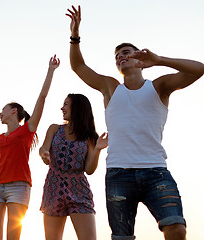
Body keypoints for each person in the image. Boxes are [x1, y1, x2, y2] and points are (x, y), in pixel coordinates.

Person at [66, 5, 204, 240]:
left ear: (140, 56)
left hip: (156, 172)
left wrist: (159, 60)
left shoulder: (158, 87)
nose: (121, 56)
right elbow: (78, 67)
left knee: (177, 229)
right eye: (117, 56)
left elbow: (199, 69)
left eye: (126, 52)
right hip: (118, 174)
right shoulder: (111, 88)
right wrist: (75, 36)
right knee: (122, 237)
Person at [0, 55, 60, 240]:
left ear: (13, 111)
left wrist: (50, 71)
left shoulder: (27, 130)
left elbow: (42, 97)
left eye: (2, 109)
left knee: (13, 236)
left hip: (18, 186)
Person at [39, 94, 108, 240]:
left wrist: (97, 150)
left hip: (79, 190)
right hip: (53, 188)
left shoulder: (90, 137)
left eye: (66, 104)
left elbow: (89, 170)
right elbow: (43, 148)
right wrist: (44, 153)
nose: (62, 108)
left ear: (77, 108)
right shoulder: (54, 129)